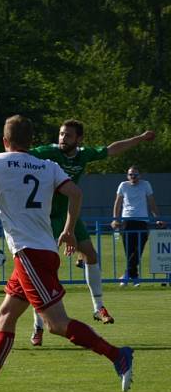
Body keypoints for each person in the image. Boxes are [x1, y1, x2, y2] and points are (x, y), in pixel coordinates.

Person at [0, 115, 134, 392]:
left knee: (56, 324)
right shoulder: (48, 165)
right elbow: (75, 193)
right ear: (32, 142)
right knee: (5, 315)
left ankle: (118, 355)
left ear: (5, 140)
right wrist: (69, 230)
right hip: (42, 250)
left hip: (29, 255)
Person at [28, 121, 156, 345]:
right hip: (47, 216)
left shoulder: (83, 155)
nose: (62, 138)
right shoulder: (47, 152)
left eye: (67, 135)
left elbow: (112, 149)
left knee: (90, 254)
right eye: (60, 134)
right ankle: (38, 326)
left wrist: (139, 138)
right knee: (42, 267)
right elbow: (20, 154)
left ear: (79, 139)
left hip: (70, 213)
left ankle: (98, 308)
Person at [111, 165, 166, 285]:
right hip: (127, 220)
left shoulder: (145, 184)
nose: (133, 177)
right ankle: (134, 277)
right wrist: (115, 219)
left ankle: (127, 274)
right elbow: (118, 203)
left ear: (139, 175)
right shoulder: (123, 185)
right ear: (127, 176)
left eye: (135, 174)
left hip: (142, 220)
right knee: (129, 250)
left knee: (139, 249)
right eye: (130, 174)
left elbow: (152, 202)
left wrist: (158, 218)